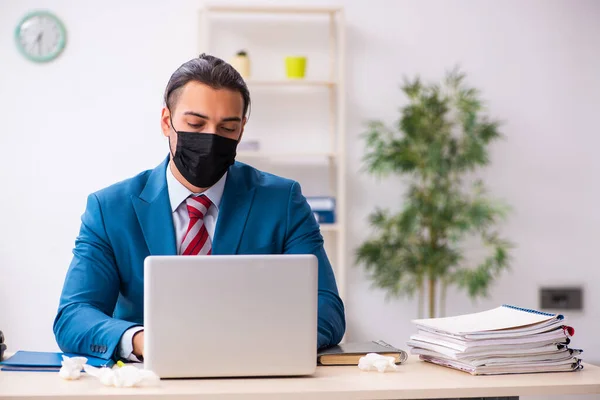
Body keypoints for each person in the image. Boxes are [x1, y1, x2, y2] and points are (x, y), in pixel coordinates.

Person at [53, 54, 346, 361]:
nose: (210, 138)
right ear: (167, 121)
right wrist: (142, 340)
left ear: (242, 130)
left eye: (227, 128)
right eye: (195, 123)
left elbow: (326, 307)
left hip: (254, 372)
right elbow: (74, 315)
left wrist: (260, 343)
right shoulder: (109, 209)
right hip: (148, 379)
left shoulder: (283, 202)